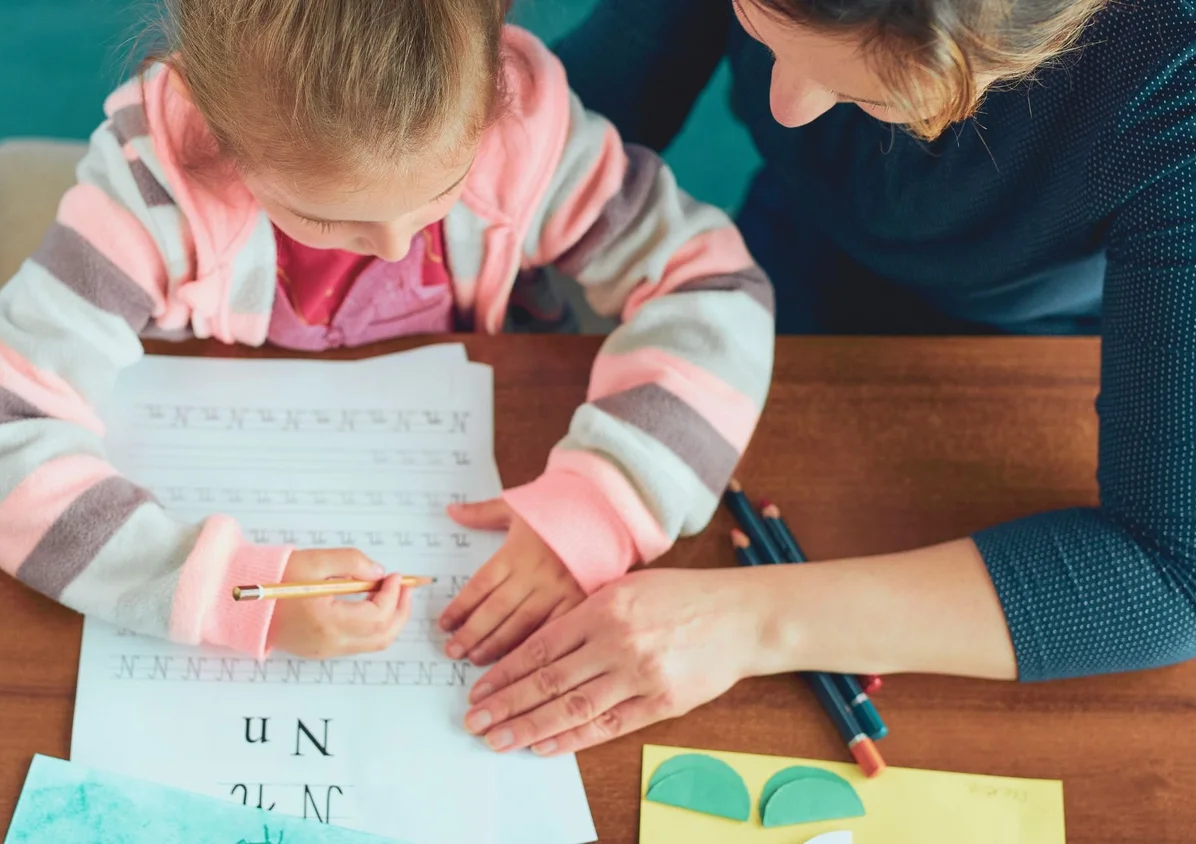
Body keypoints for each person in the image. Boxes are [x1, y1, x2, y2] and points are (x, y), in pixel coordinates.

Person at [453, 0, 1196, 758]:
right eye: (759, 27)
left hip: (1021, 359)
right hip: (769, 276)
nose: (786, 106)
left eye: (877, 95)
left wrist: (752, 623)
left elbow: (1172, 575)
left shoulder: (1176, 73)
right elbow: (557, 136)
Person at [0, 0, 774, 661]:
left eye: (442, 191)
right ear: (217, 134)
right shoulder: (152, 189)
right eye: (322, 217)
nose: (399, 247)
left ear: (492, 89)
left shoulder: (521, 137)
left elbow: (717, 289)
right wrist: (233, 590)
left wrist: (606, 502)